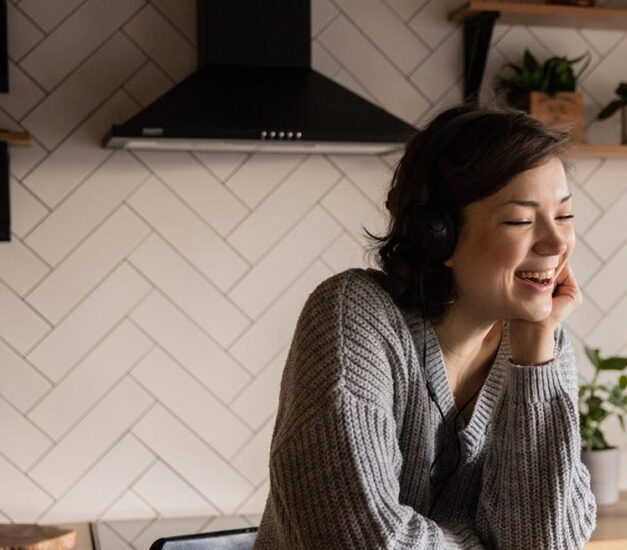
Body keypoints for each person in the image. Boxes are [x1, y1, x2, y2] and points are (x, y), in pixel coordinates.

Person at [253, 104, 596, 549]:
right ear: (439, 236)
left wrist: (535, 351)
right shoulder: (355, 316)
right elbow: (360, 541)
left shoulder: (542, 342)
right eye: (521, 220)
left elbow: (548, 542)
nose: (555, 243)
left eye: (564, 216)